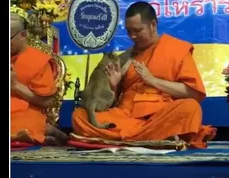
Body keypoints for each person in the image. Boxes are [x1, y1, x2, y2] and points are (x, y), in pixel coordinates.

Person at [72, 1, 216, 148]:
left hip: (159, 117)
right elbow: (111, 103)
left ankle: (132, 138)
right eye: (129, 31)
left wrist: (153, 81)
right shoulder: (126, 57)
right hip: (126, 117)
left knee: (190, 108)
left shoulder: (176, 50)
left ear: (153, 25)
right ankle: (155, 138)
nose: (132, 36)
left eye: (137, 30)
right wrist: (114, 86)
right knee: (79, 116)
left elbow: (194, 93)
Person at [10, 13, 67, 145]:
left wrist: (15, 86)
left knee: (21, 124)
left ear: (23, 35)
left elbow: (47, 102)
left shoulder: (38, 61)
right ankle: (45, 132)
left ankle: (43, 131)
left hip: (25, 113)